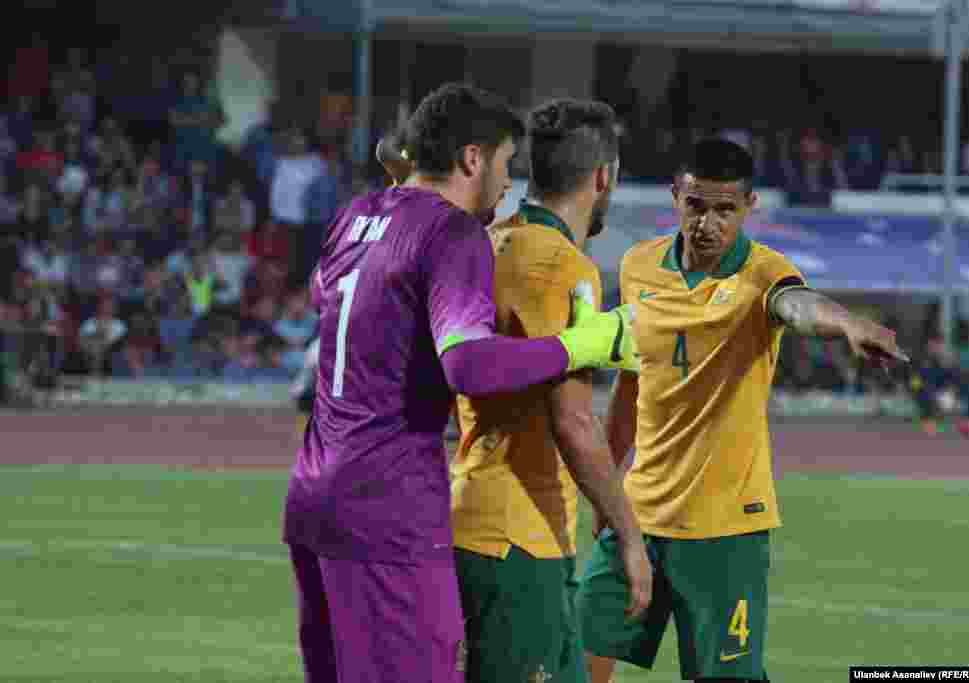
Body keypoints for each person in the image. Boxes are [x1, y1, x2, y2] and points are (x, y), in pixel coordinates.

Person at [281, 83, 638, 683]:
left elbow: (328, 294)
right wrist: (580, 346)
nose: (507, 187)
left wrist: (403, 198)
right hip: (390, 504)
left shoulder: (357, 215)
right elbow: (468, 366)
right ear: (473, 159)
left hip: (314, 495)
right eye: (504, 165)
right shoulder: (453, 233)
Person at [578, 138, 908, 683]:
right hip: (637, 516)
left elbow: (798, 305)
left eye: (725, 210)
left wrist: (848, 323)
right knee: (574, 659)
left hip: (726, 529)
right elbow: (632, 384)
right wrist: (608, 486)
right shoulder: (638, 266)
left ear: (749, 206)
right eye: (695, 205)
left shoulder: (763, 273)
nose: (707, 224)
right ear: (676, 197)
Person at [450, 99, 652, 683]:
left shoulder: (482, 243)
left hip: (475, 519)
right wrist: (628, 535)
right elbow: (573, 422)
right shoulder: (566, 267)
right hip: (519, 541)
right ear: (603, 177)